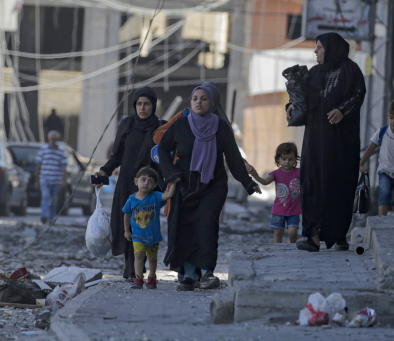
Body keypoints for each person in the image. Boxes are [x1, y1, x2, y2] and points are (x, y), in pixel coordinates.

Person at [158, 82, 261, 291]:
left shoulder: (220, 127)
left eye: (204, 99)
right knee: (185, 230)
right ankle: (188, 276)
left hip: (212, 187)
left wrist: (248, 183)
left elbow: (233, 158)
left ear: (212, 103)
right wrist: (172, 175)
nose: (198, 102)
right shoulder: (181, 125)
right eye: (195, 98)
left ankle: (207, 273)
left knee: (206, 229)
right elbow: (162, 150)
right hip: (184, 187)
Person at [287, 32, 366, 252]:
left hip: (342, 143)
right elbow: (303, 100)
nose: (316, 51)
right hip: (315, 142)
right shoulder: (314, 73)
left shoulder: (351, 70)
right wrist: (292, 106)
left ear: (331, 49)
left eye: (320, 47)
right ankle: (312, 236)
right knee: (312, 184)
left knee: (340, 185)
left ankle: (339, 236)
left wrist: (342, 110)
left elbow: (359, 94)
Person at [95, 87, 162, 280]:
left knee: (143, 226)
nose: (142, 108)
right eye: (139, 104)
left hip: (147, 186)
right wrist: (104, 172)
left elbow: (163, 158)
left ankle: (137, 269)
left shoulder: (160, 129)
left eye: (146, 104)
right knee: (126, 226)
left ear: (153, 106)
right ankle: (130, 268)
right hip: (126, 183)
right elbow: (117, 156)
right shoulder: (127, 125)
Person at [123, 167, 177, 290]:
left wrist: (173, 182)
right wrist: (126, 231)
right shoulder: (131, 199)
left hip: (153, 235)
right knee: (139, 255)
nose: (146, 183)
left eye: (150, 181)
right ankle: (138, 278)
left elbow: (169, 195)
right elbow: (126, 215)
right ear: (136, 181)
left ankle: (152, 277)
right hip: (137, 235)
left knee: (152, 258)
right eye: (143, 179)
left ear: (154, 185)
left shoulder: (155, 197)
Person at [246, 142, 302, 243]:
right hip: (278, 211)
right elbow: (265, 182)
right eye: (284, 159)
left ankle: (293, 247)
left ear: (295, 159)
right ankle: (277, 250)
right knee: (278, 232)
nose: (287, 162)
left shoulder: (299, 172)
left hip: (294, 211)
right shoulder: (275, 173)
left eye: (290, 159)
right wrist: (255, 176)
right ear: (278, 159)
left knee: (292, 232)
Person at [35, 130, 68, 223]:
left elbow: (64, 168)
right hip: (45, 178)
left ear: (57, 139)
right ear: (48, 139)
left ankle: (51, 218)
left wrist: (63, 180)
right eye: (51, 139)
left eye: (54, 139)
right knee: (45, 196)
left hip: (56, 180)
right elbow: (38, 166)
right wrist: (37, 180)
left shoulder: (61, 152)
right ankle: (44, 215)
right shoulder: (43, 150)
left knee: (53, 200)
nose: (53, 141)